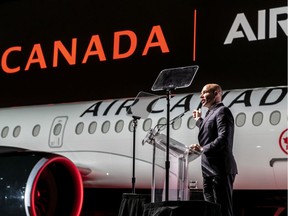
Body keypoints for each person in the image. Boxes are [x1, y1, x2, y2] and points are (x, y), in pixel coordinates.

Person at [189, 83, 238, 216]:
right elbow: (209, 132)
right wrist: (199, 121)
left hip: (219, 170)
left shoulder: (223, 111)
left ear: (216, 93)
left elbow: (223, 139)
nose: (201, 96)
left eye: (204, 92)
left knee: (222, 210)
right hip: (208, 170)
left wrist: (202, 148)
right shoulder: (211, 113)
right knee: (211, 211)